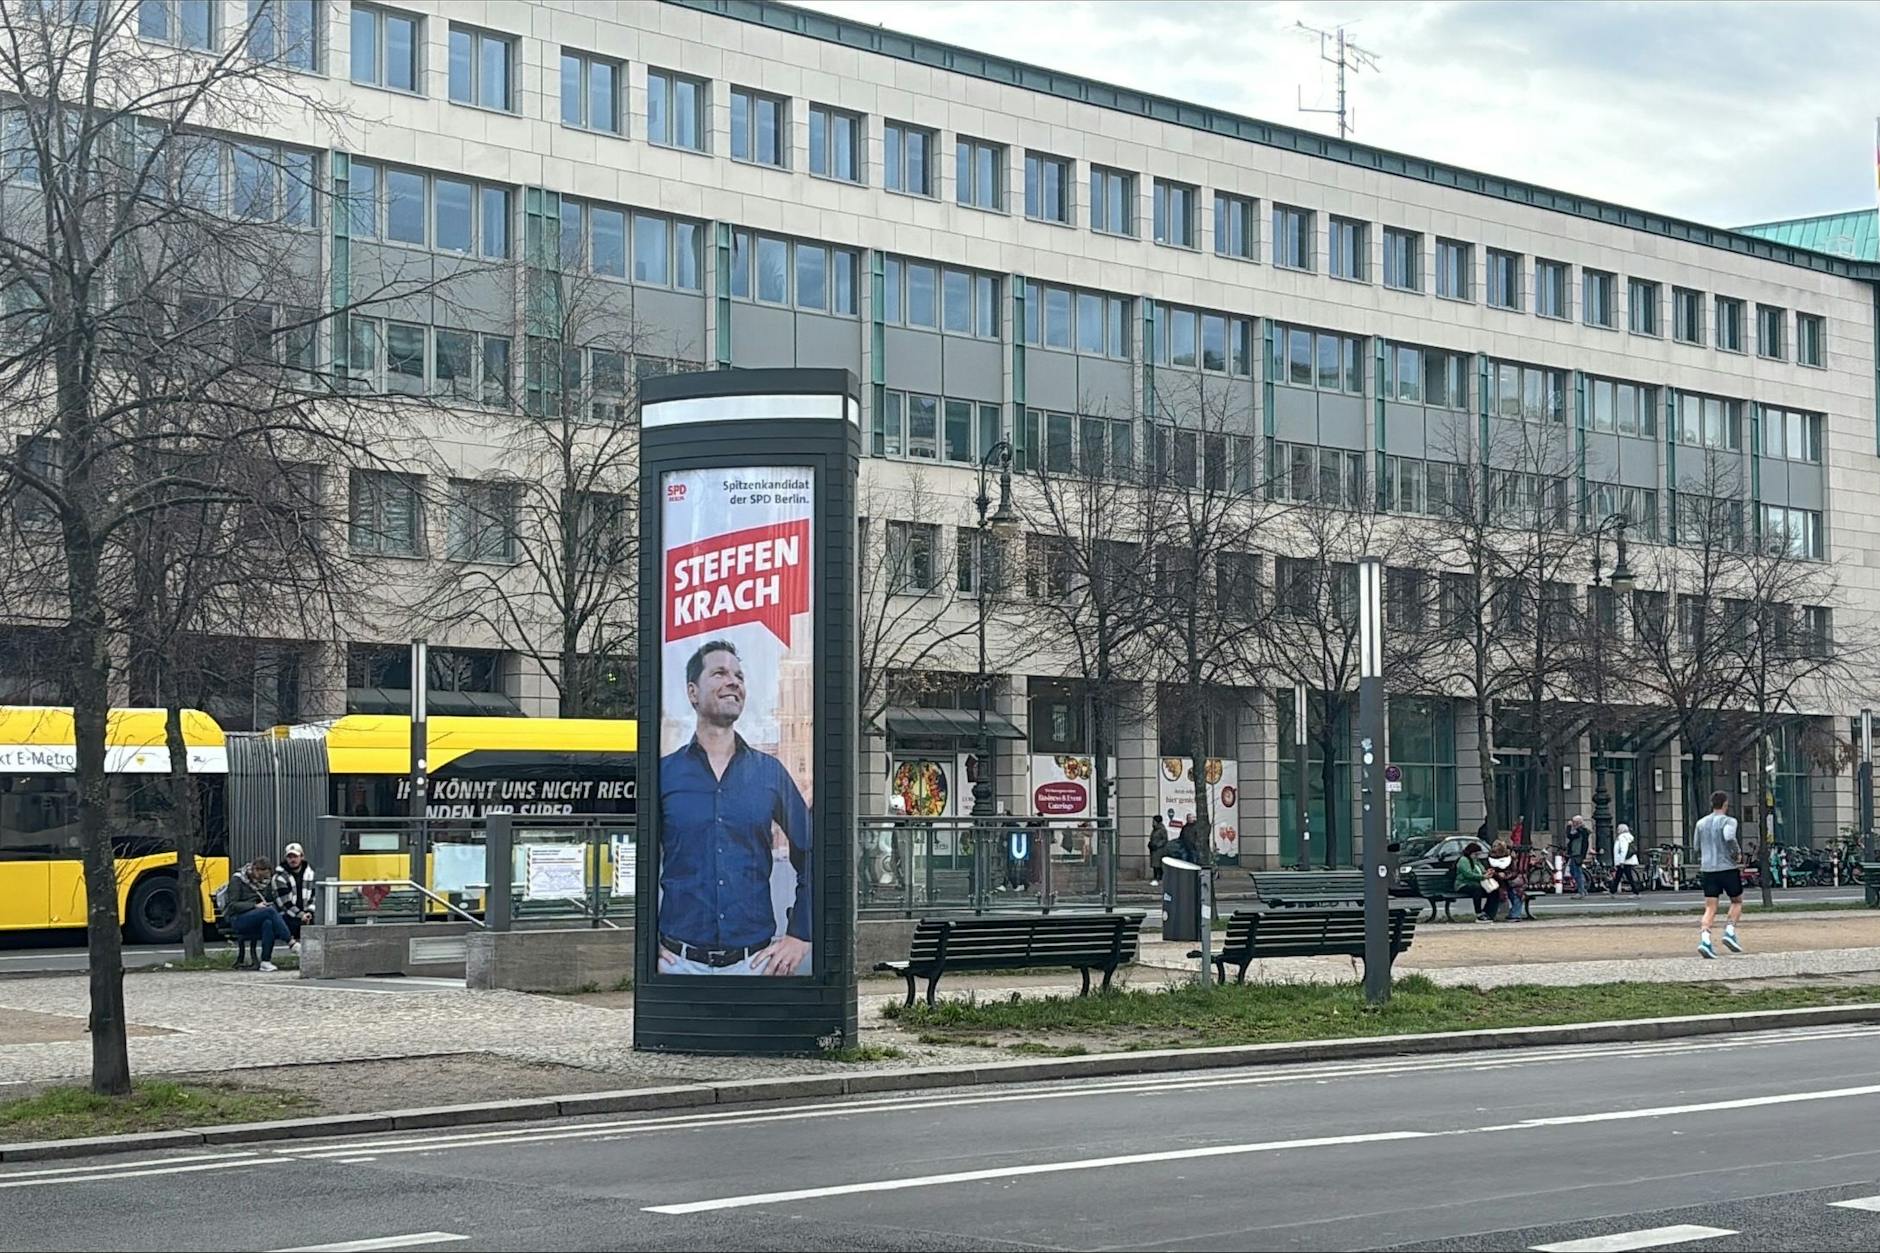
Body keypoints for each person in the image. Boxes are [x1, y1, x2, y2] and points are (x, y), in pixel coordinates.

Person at [657, 640, 812, 977]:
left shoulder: (770, 774)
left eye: (739, 676)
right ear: (692, 692)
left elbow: (813, 853)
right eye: (720, 673)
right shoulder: (663, 774)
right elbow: (632, 859)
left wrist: (802, 933)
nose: (734, 681)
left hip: (754, 965)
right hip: (676, 965)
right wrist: (641, 940)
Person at [1695, 790, 1745, 959]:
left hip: (1707, 869)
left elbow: (1696, 846)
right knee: (1736, 900)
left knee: (1710, 907)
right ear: (1725, 804)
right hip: (1726, 867)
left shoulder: (1701, 823)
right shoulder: (1729, 821)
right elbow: (1729, 836)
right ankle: (1729, 931)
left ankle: (1705, 940)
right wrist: (1736, 853)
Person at [225, 858, 292, 971]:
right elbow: (232, 905)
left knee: (268, 922)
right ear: (255, 870)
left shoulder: (263, 883)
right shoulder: (238, 880)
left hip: (257, 917)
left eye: (265, 877)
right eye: (261, 876)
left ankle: (265, 961)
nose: (263, 879)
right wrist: (255, 906)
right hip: (238, 919)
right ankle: (291, 942)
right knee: (269, 911)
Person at [270, 842, 316, 948]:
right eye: (289, 857)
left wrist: (309, 912)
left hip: (308, 914)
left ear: (302, 857)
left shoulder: (312, 875)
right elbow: (284, 904)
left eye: (295, 856)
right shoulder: (279, 877)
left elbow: (315, 897)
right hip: (288, 915)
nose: (292, 860)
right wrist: (301, 915)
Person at [1452, 842, 1492, 921]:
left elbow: (1481, 869)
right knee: (1477, 889)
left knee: (1493, 891)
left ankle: (1489, 912)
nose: (1477, 856)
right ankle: (1479, 913)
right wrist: (1482, 877)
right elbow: (1468, 874)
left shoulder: (1476, 860)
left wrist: (1487, 872)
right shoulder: (1464, 860)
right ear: (1471, 852)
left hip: (1475, 883)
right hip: (1463, 884)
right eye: (1476, 854)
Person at [1485, 839, 1521, 921]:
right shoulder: (1489, 859)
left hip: (1509, 882)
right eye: (1494, 847)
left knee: (1517, 894)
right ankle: (1490, 914)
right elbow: (1486, 870)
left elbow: (1514, 871)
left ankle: (1514, 915)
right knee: (1496, 893)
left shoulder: (1510, 859)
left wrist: (1506, 875)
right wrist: (1494, 873)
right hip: (1495, 883)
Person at [1608, 823, 1642, 895]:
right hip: (1628, 860)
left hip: (1624, 861)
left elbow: (1624, 849)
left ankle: (1636, 892)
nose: (1617, 830)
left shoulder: (1622, 837)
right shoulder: (1628, 837)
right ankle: (1612, 891)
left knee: (1628, 877)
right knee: (1619, 876)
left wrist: (1621, 861)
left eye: (1618, 829)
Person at [1564, 815, 1592, 895]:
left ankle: (1581, 891)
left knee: (1577, 872)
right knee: (1574, 871)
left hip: (1577, 853)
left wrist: (1569, 826)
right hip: (1576, 853)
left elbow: (1570, 836)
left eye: (1574, 822)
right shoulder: (1581, 831)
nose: (1573, 824)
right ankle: (1582, 889)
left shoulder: (1580, 831)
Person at [1148, 815, 1170, 885]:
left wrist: (1157, 845)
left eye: (1154, 821)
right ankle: (1156, 878)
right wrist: (1150, 844)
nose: (1152, 823)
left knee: (1158, 865)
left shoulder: (1162, 830)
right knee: (1155, 865)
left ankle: (1158, 878)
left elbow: (1164, 839)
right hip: (1154, 850)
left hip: (1159, 850)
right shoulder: (1154, 830)